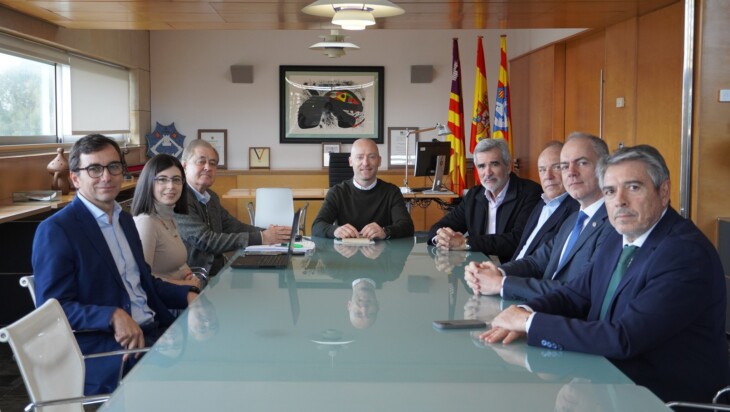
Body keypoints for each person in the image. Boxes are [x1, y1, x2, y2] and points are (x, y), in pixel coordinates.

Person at [480, 145, 730, 403]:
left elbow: (624, 337)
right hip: (608, 382)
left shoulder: (683, 252)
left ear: (663, 191)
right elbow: (575, 295)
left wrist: (530, 324)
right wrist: (525, 311)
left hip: (663, 398)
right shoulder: (618, 238)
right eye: (610, 191)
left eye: (633, 187)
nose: (619, 201)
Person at [32, 134, 198, 395]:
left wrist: (187, 294)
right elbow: (51, 309)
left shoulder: (125, 221)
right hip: (111, 350)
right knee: (199, 383)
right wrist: (111, 315)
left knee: (217, 354)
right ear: (75, 178)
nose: (106, 176)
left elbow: (144, 282)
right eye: (94, 169)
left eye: (113, 167)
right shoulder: (57, 230)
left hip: (155, 332)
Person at [464, 133, 612, 301]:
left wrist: (501, 284)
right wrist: (496, 272)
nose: (571, 172)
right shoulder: (574, 220)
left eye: (582, 163)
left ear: (604, 168)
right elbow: (536, 261)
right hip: (537, 303)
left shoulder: (612, 224)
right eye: (564, 166)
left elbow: (581, 291)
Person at [175, 139, 291, 275]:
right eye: (201, 161)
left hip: (218, 272)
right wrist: (262, 237)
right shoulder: (180, 199)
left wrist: (272, 233)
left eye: (213, 163)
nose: (208, 167)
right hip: (195, 276)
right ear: (184, 167)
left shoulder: (211, 197)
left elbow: (234, 226)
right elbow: (206, 241)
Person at [428, 138, 542, 264]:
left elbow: (518, 240)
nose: (487, 173)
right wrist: (441, 238)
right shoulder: (474, 195)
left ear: (508, 166)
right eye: (481, 166)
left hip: (512, 269)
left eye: (494, 164)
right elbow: (439, 227)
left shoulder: (531, 193)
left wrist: (465, 243)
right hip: (476, 268)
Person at [312, 138, 414, 240]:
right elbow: (317, 226)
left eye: (371, 157)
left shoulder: (392, 192)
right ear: (351, 161)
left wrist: (385, 231)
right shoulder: (337, 192)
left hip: (382, 249)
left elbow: (407, 226)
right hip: (346, 249)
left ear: (379, 161)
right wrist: (335, 231)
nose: (365, 163)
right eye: (359, 157)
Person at [132, 154, 200, 288]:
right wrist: (184, 284)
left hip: (181, 294)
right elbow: (142, 279)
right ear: (148, 183)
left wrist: (187, 274)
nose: (171, 186)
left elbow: (175, 263)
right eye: (162, 179)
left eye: (176, 180)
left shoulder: (169, 217)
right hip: (162, 299)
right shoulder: (146, 222)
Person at [510, 141, 579, 261]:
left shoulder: (576, 210)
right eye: (542, 170)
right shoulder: (542, 203)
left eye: (556, 167)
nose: (548, 176)